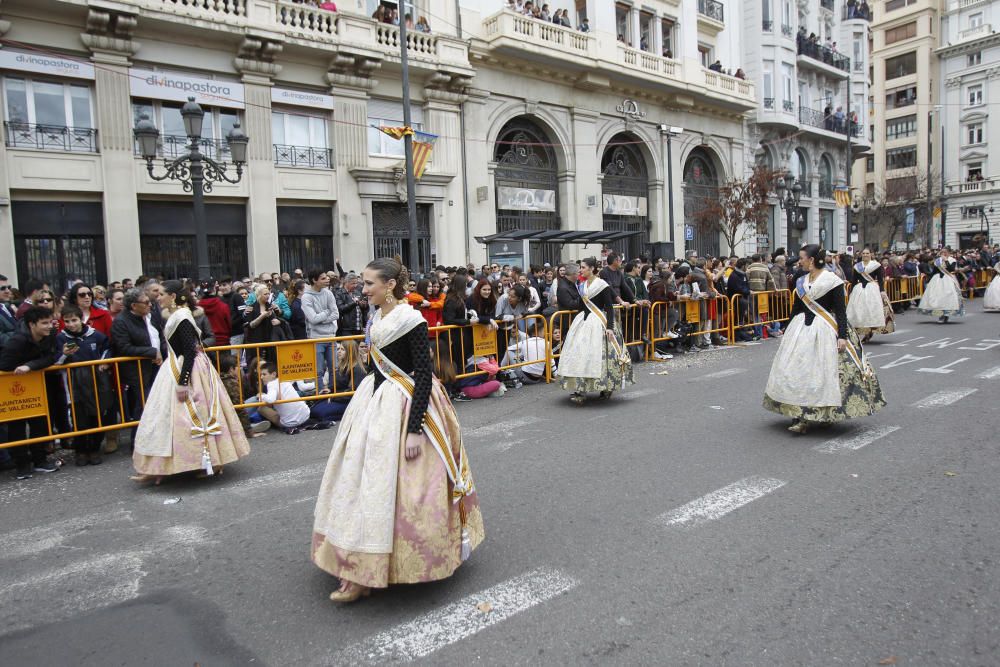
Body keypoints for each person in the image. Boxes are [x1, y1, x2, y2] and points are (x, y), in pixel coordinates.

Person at [312, 258, 484, 603]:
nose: (364, 290)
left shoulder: (411, 319)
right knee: (363, 483)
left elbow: (422, 374)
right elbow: (381, 365)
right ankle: (360, 565)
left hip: (405, 406)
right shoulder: (378, 316)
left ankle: (379, 567)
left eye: (369, 284)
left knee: (397, 489)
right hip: (374, 403)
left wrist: (414, 429)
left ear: (390, 285)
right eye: (363, 284)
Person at [131, 281, 251, 484]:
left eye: (161, 294)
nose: (157, 298)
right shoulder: (176, 315)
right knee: (164, 419)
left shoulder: (183, 317)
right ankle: (157, 466)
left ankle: (210, 461)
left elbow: (189, 352)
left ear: (173, 296)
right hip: (174, 367)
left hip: (188, 369)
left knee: (195, 416)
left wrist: (182, 381)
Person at [763, 245, 885, 434]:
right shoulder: (800, 279)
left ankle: (825, 414)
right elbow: (797, 308)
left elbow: (841, 311)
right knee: (798, 372)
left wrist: (843, 337)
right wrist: (788, 329)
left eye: (802, 258)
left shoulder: (832, 281)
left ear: (811, 260)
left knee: (824, 375)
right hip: (801, 329)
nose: (799, 261)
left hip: (825, 331)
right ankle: (800, 416)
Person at [556, 257, 634, 404]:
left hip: (599, 323)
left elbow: (609, 308)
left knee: (602, 357)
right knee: (580, 355)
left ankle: (606, 387)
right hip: (582, 322)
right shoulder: (581, 284)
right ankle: (580, 388)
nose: (581, 270)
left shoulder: (602, 285)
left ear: (592, 269)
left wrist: (610, 328)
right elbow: (581, 304)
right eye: (580, 267)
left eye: (583, 267)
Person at [0, 306, 62, 479]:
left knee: (40, 423)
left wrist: (30, 366)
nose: (49, 326)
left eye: (50, 322)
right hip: (12, 388)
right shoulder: (17, 340)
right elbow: (4, 364)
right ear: (31, 324)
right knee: (16, 427)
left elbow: (51, 357)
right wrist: (23, 367)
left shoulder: (49, 337)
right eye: (44, 323)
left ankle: (40, 460)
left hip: (36, 386)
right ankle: (22, 465)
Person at [56, 304, 113, 466]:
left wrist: (104, 362)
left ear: (81, 319)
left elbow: (108, 348)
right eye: (67, 321)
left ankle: (94, 448)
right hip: (73, 383)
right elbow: (55, 360)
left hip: (95, 381)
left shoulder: (95, 335)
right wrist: (64, 355)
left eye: (74, 320)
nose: (71, 324)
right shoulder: (61, 338)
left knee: (97, 416)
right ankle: (81, 451)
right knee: (79, 418)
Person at [111, 288, 165, 449]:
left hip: (157, 366)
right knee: (144, 405)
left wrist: (163, 351)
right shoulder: (121, 322)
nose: (151, 305)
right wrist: (151, 352)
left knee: (158, 403)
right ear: (134, 305)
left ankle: (156, 439)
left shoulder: (151, 316)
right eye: (147, 302)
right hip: (137, 370)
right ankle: (139, 442)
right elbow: (124, 347)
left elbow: (160, 336)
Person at [252, 362, 335, 434]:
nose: (261, 377)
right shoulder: (284, 379)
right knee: (271, 403)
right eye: (260, 375)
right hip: (306, 415)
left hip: (289, 423)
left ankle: (255, 423)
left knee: (261, 408)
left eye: (264, 374)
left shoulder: (271, 384)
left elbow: (271, 399)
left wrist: (261, 396)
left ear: (273, 374)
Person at [301, 268, 339, 394]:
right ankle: (320, 392)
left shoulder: (328, 293)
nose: (327, 279)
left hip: (331, 335)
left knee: (334, 368)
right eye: (323, 278)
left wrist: (320, 317)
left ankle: (334, 391)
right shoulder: (306, 297)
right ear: (314, 280)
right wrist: (326, 312)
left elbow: (336, 314)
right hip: (316, 338)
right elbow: (312, 319)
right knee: (318, 370)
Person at [847, 249, 894, 343]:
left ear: (870, 255)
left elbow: (880, 279)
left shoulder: (876, 265)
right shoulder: (857, 266)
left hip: (872, 289)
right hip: (859, 289)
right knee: (859, 311)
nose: (865, 255)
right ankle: (859, 331)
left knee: (871, 310)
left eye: (867, 253)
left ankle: (869, 331)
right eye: (863, 253)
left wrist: (882, 291)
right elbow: (854, 280)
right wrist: (851, 291)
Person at [217, 354, 268, 438]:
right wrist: (249, 432)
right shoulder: (231, 383)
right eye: (238, 366)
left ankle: (249, 424)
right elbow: (240, 409)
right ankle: (248, 427)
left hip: (224, 415)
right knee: (257, 399)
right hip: (231, 415)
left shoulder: (220, 378)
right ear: (231, 369)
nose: (240, 368)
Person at [918, 248, 966, 323]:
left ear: (948, 253)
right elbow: (934, 271)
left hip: (948, 279)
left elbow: (951, 269)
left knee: (948, 297)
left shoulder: (952, 260)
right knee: (938, 297)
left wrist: (946, 260)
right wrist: (927, 275)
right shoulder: (937, 261)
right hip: (937, 280)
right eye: (942, 252)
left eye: (945, 252)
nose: (944, 254)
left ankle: (946, 314)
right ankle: (941, 314)